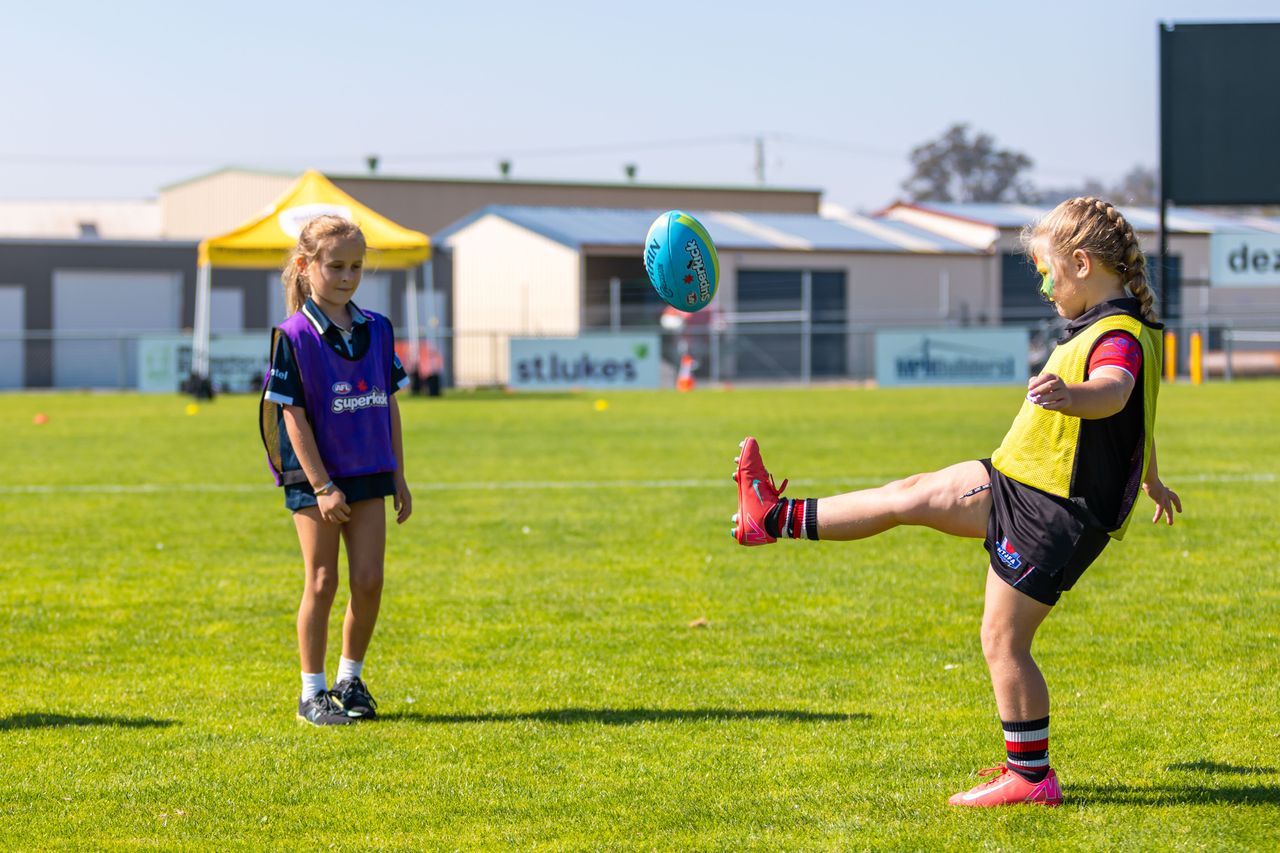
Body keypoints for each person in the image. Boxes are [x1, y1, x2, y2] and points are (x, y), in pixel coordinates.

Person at [731, 197, 1182, 806]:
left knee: (1002, 640)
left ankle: (1030, 777)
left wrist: (1073, 395)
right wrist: (1151, 477)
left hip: (1054, 512)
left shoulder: (1118, 336)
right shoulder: (1107, 327)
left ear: (1081, 263)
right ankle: (769, 518)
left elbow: (1117, 391)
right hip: (1017, 482)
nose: (1045, 284)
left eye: (1047, 270)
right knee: (907, 494)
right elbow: (1139, 422)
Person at [260, 215, 413, 726]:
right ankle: (312, 693)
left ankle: (351, 678)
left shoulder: (377, 328)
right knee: (322, 582)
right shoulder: (293, 335)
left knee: (369, 580)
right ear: (305, 267)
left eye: (356, 266)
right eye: (336, 266)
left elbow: (388, 402)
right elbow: (291, 414)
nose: (348, 276)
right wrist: (322, 486)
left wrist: (399, 474)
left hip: (369, 468)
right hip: (317, 478)